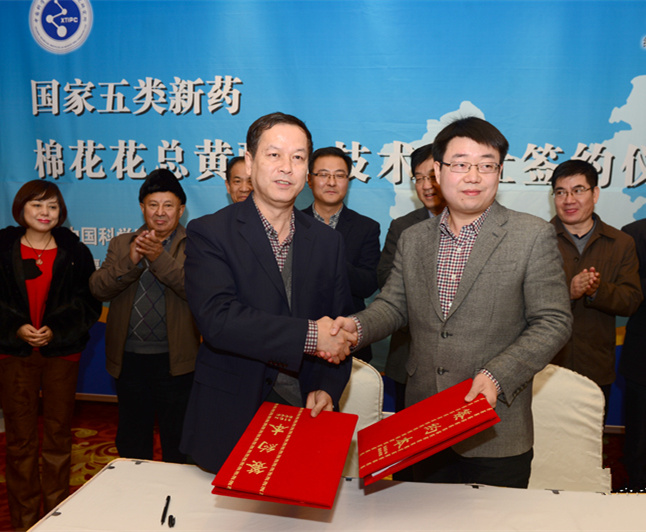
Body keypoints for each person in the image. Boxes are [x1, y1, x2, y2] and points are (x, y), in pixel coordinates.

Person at [328, 117, 572, 489]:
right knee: (423, 515)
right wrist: (356, 327)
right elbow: (394, 306)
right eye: (460, 164)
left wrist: (497, 375)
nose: (473, 176)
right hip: (424, 422)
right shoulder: (413, 238)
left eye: (486, 165)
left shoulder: (531, 234)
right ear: (438, 173)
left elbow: (553, 321)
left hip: (496, 428)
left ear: (499, 172)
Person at [180, 112, 356, 474]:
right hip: (232, 411)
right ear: (250, 161)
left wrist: (327, 386)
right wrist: (311, 335)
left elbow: (338, 324)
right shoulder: (210, 232)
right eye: (274, 155)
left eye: (298, 157)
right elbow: (218, 320)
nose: (286, 168)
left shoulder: (328, 242)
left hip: (305, 409)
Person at [0, 180, 101, 530]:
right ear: (21, 209)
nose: (45, 213)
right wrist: (15, 327)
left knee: (58, 436)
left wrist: (56, 328)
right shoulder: (3, 248)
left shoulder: (74, 251)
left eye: (53, 206)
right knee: (20, 440)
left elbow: (88, 302)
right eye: (37, 205)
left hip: (61, 353)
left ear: (61, 212)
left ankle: (56, 517)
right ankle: (25, 521)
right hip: (15, 353)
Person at [89, 169, 200, 464]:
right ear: (142, 208)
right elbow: (98, 288)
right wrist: (132, 260)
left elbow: (195, 291)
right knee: (132, 440)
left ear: (181, 209)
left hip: (176, 361)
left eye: (168, 205)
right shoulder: (121, 243)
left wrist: (158, 258)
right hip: (129, 360)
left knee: (178, 443)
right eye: (153, 205)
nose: (160, 212)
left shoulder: (196, 245)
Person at [549, 159, 642, 407]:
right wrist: (568, 292)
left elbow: (631, 301)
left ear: (595, 194)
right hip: (545, 368)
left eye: (578, 190)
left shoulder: (621, 242)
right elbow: (517, 300)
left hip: (595, 368)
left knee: (590, 432)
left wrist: (597, 290)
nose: (569, 200)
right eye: (560, 192)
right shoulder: (537, 239)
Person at [377, 143, 446, 411]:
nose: (426, 186)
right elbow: (386, 279)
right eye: (419, 178)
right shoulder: (403, 227)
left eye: (432, 177)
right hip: (409, 351)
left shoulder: (471, 225)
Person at [302, 146, 381, 362]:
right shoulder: (291, 223)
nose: (331, 182)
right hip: (301, 337)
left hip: (348, 339)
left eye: (339, 175)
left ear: (348, 181)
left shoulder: (367, 227)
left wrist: (329, 258)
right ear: (309, 180)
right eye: (323, 175)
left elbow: (368, 284)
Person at [620, 218, 646, 490]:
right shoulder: (634, 234)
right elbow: (629, 290)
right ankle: (637, 487)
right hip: (643, 356)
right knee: (639, 434)